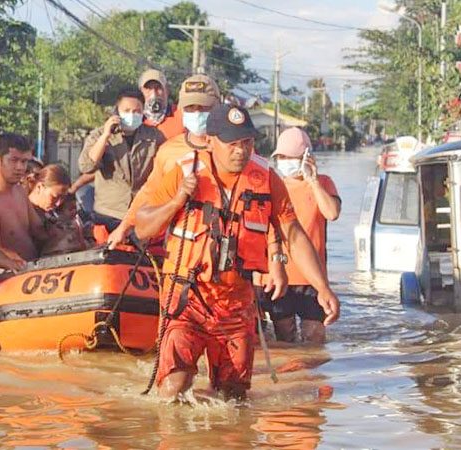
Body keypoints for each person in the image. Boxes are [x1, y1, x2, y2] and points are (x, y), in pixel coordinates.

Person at [135, 104, 340, 400]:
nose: (240, 151)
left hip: (236, 302)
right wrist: (178, 200)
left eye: (247, 142)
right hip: (187, 299)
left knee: (233, 396)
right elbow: (143, 228)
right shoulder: (184, 172)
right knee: (174, 386)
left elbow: (293, 235)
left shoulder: (266, 179)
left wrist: (322, 287)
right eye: (232, 143)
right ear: (209, 141)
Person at [107, 74, 219, 249]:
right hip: (180, 249)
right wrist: (124, 227)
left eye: (204, 108)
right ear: (181, 110)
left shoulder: (234, 148)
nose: (197, 114)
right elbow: (149, 192)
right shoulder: (169, 150)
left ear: (217, 107)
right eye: (190, 108)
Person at [256, 128, 341, 344]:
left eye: (291, 157)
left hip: (312, 278)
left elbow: (332, 213)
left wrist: (312, 181)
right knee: (285, 339)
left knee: (315, 338)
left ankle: (313, 376)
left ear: (306, 157)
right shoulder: (272, 185)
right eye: (281, 157)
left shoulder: (324, 182)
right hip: (278, 276)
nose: (285, 162)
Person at [78, 89, 164, 236]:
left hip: (141, 213)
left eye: (137, 111)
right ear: (117, 111)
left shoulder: (154, 136)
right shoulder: (99, 135)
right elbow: (86, 166)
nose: (132, 115)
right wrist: (106, 136)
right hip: (108, 214)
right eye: (127, 110)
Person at [0, 133, 47, 272]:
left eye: (24, 162)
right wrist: (19, 267)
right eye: (13, 160)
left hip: (31, 273)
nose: (20, 167)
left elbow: (39, 230)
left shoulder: (20, 192)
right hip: (1, 278)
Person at [139, 69, 184, 140]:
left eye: (158, 88)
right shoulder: (135, 116)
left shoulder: (180, 114)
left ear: (167, 90)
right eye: (148, 88)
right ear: (141, 91)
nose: (154, 94)